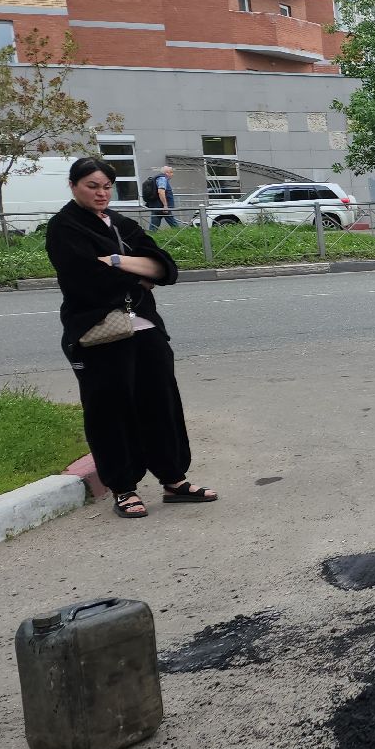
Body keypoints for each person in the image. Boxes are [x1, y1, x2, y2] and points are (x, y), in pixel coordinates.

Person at [46, 157, 215, 520]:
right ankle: (123, 488)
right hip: (98, 334)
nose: (101, 193)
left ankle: (173, 479)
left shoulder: (121, 224)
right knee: (110, 411)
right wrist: (136, 270)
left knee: (161, 405)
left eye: (106, 186)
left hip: (146, 329)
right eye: (92, 185)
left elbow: (165, 268)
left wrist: (118, 262)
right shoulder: (64, 227)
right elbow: (86, 279)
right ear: (73, 185)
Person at [145, 166, 177, 230]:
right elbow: (161, 192)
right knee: (174, 225)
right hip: (162, 207)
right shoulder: (162, 179)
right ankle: (182, 237)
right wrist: (165, 205)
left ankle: (149, 238)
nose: (172, 174)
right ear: (167, 173)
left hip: (156, 206)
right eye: (171, 172)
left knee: (153, 228)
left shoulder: (157, 178)